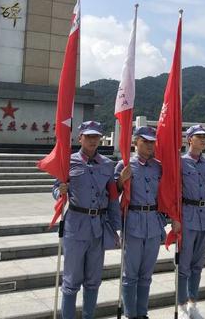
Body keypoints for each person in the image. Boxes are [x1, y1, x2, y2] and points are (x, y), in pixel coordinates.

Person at [52, 121, 120, 319]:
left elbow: (113, 198)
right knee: (71, 280)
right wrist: (59, 192)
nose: (92, 140)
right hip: (75, 225)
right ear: (80, 138)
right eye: (88, 136)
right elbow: (55, 187)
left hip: (98, 227)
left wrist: (115, 228)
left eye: (96, 136)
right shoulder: (68, 161)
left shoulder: (107, 165)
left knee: (93, 279)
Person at [114, 126, 166, 319]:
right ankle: (130, 314)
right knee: (130, 274)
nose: (150, 145)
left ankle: (142, 313)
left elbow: (165, 195)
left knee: (146, 274)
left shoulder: (158, 166)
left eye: (152, 142)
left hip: (153, 222)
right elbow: (113, 193)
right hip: (133, 222)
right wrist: (121, 180)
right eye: (146, 141)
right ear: (136, 142)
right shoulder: (124, 165)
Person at [171, 124, 205, 319]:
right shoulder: (180, 163)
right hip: (187, 217)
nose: (203, 139)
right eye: (199, 136)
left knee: (197, 265)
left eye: (204, 137)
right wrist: (174, 218)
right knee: (184, 265)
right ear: (189, 139)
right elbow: (173, 193)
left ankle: (192, 303)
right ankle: (181, 305)